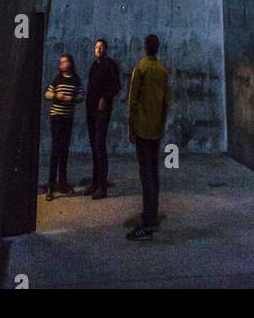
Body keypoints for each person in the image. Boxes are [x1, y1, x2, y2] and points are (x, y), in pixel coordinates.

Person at [126, 33, 168, 240]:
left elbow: (132, 101)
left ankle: (148, 220)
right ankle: (152, 212)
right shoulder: (162, 70)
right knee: (154, 172)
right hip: (155, 129)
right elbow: (166, 102)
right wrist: (160, 123)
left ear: (145, 47)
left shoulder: (140, 69)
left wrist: (131, 127)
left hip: (142, 129)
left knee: (145, 174)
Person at [44, 53, 84, 202]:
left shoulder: (75, 79)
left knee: (65, 150)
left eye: (65, 62)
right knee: (56, 149)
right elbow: (47, 94)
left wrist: (71, 98)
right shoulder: (57, 78)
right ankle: (51, 185)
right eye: (61, 62)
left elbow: (81, 96)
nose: (63, 64)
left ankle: (63, 182)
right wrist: (56, 96)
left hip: (68, 118)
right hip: (57, 117)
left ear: (70, 63)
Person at [84, 38, 121, 199]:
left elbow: (116, 86)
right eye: (96, 47)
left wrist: (104, 99)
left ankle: (102, 186)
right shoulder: (94, 66)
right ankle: (95, 182)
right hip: (91, 110)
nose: (98, 49)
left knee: (99, 146)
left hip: (102, 111)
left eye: (101, 47)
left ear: (106, 49)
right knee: (94, 146)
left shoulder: (110, 65)